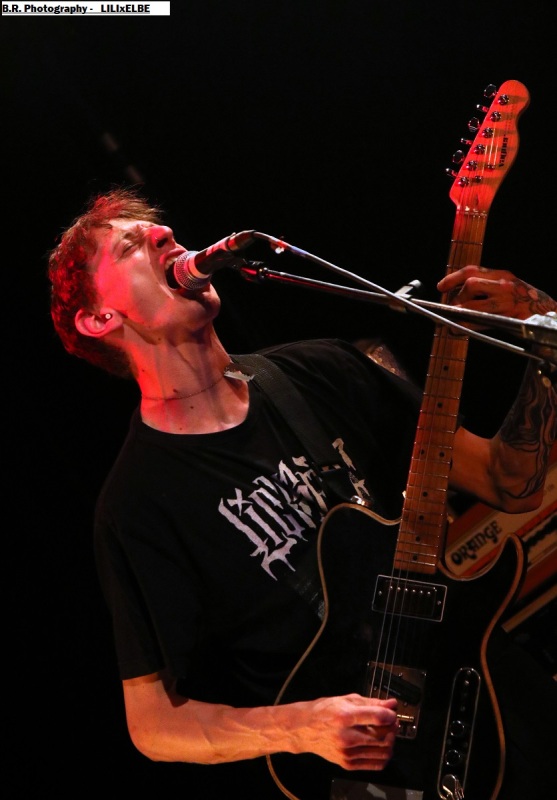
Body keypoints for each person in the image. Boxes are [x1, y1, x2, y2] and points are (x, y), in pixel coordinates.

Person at [48, 187, 556, 800]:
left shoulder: (325, 371)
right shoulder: (137, 503)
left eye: (162, 231)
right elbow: (154, 724)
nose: (165, 237)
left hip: (508, 704)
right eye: (133, 244)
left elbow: (510, 482)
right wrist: (301, 727)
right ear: (100, 319)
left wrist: (547, 341)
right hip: (377, 777)